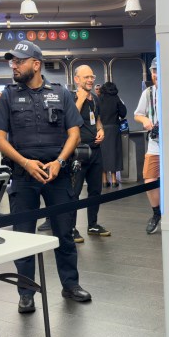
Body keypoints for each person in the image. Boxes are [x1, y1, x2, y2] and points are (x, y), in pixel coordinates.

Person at [0, 40, 91, 314]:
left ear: (35, 64)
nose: (14, 65)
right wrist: (24, 161)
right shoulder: (8, 95)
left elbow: (74, 134)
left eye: (19, 61)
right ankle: (26, 292)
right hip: (23, 177)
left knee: (64, 234)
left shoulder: (60, 93)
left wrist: (59, 162)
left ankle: (70, 285)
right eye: (12, 61)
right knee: (23, 237)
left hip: (57, 176)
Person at [70, 64, 110, 241]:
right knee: (74, 192)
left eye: (92, 77)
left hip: (95, 150)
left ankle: (92, 224)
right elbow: (71, 118)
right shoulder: (70, 98)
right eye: (86, 77)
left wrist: (101, 130)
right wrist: (80, 99)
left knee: (95, 190)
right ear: (77, 79)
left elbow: (97, 120)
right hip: (78, 151)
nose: (90, 80)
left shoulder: (94, 98)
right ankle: (70, 228)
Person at [134, 63, 162, 234]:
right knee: (149, 179)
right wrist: (145, 121)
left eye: (159, 70)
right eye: (154, 71)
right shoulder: (148, 93)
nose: (156, 74)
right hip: (155, 144)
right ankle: (156, 213)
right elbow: (138, 114)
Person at [98, 81, 126, 188]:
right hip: (114, 129)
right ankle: (114, 180)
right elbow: (123, 113)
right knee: (114, 154)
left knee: (103, 155)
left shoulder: (98, 99)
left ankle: (104, 180)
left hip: (101, 130)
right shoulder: (116, 98)